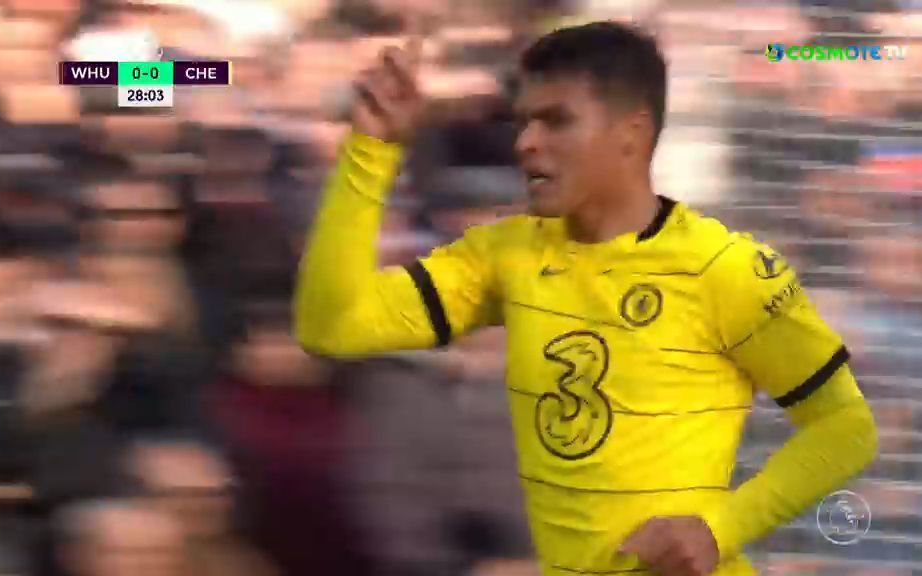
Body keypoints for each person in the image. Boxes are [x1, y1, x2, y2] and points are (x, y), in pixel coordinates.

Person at [294, 20, 879, 576]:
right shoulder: (505, 256)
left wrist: (717, 528)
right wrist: (371, 149)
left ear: (632, 133)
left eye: (556, 121)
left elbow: (846, 426)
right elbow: (335, 326)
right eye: (525, 122)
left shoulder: (727, 269)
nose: (527, 143)